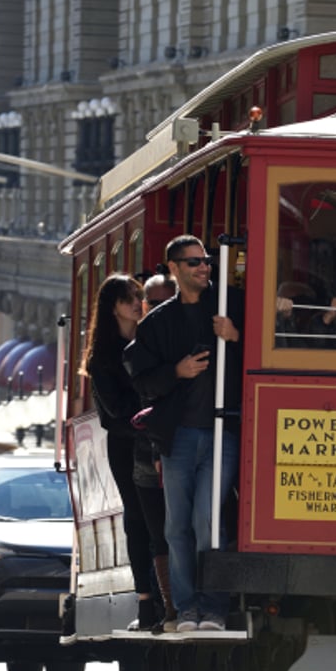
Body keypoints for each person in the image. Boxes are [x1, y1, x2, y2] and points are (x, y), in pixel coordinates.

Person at [124, 235, 245, 633]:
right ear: (173, 268)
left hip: (223, 432)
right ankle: (186, 608)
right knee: (177, 526)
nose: (202, 267)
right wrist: (177, 372)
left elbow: (269, 354)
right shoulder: (158, 322)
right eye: (192, 262)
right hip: (178, 437)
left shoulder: (232, 305)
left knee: (209, 522)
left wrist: (236, 337)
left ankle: (213, 609)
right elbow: (139, 376)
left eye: (206, 260)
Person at [81, 273, 161, 630]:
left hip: (158, 438)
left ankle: (165, 596)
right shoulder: (102, 358)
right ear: (113, 307)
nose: (136, 303)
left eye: (139, 296)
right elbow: (115, 412)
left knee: (163, 519)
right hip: (127, 445)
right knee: (138, 518)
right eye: (129, 298)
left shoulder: (151, 341)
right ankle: (145, 599)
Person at [133, 272, 178, 628]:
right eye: (156, 303)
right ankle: (169, 604)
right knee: (158, 532)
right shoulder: (139, 346)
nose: (162, 310)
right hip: (148, 455)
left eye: (169, 301)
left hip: (181, 447)